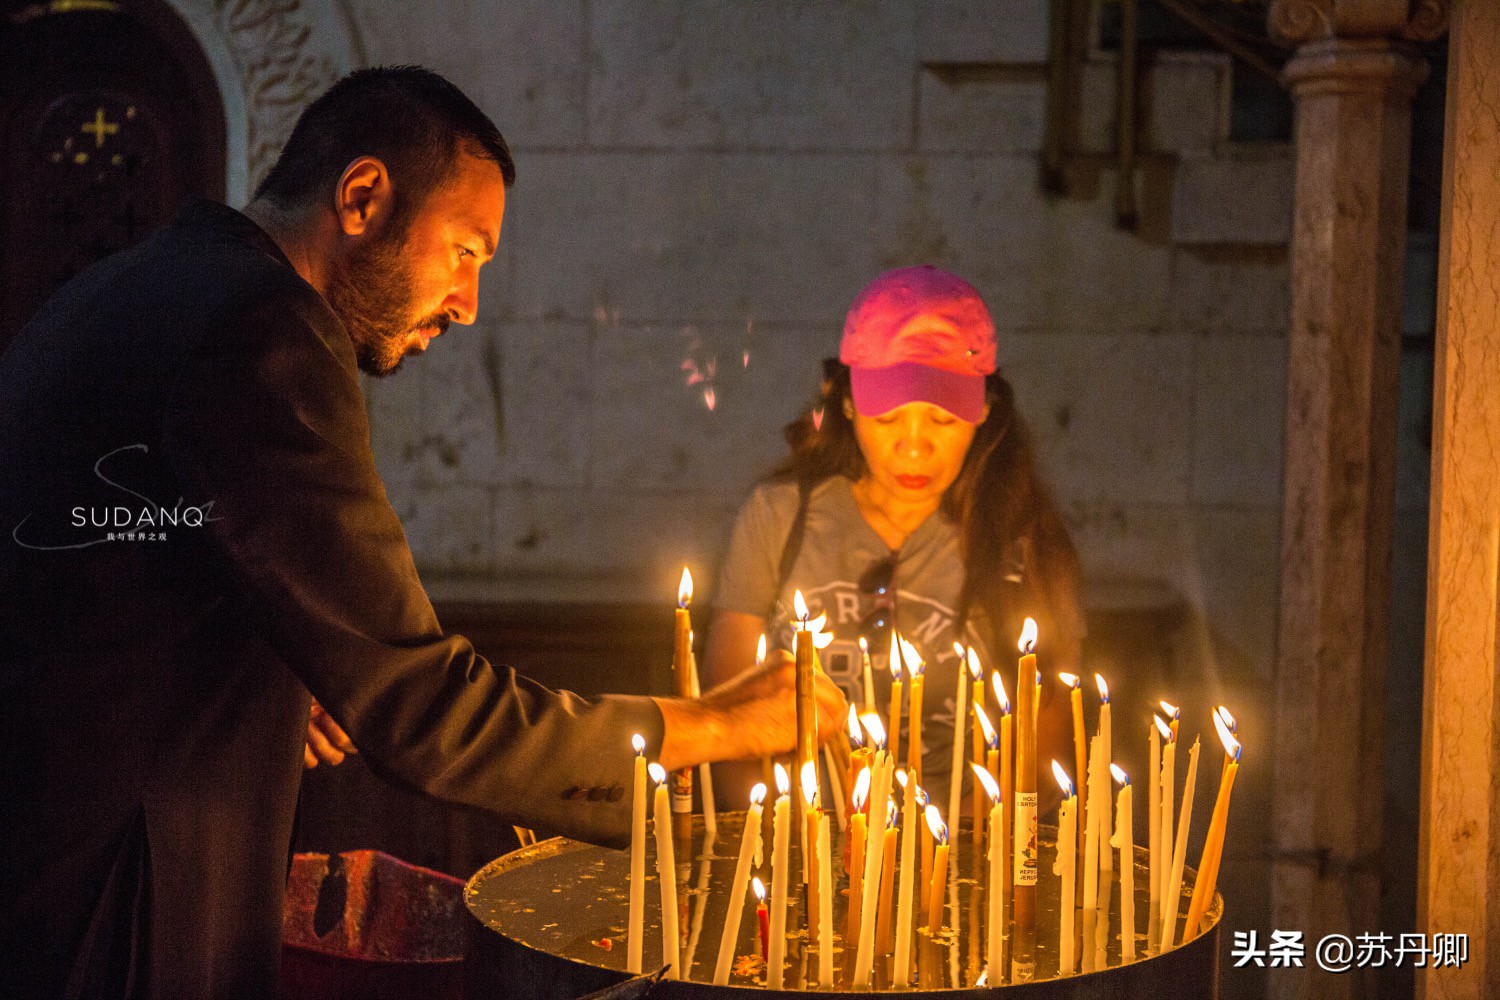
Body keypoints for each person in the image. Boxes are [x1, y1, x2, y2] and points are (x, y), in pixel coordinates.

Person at [0, 66, 845, 999]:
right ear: (363, 198)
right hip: (119, 902)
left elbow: (121, 578)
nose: (468, 301)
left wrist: (279, 673)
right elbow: (423, 708)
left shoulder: (137, 285)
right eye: (465, 250)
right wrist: (715, 722)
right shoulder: (262, 330)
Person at [704, 265, 1082, 810]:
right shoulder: (779, 518)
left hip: (960, 846)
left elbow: (1041, 755)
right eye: (887, 419)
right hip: (800, 840)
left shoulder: (1021, 537)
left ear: (984, 410)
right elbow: (727, 725)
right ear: (848, 404)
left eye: (942, 420)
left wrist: (950, 848)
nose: (914, 447)